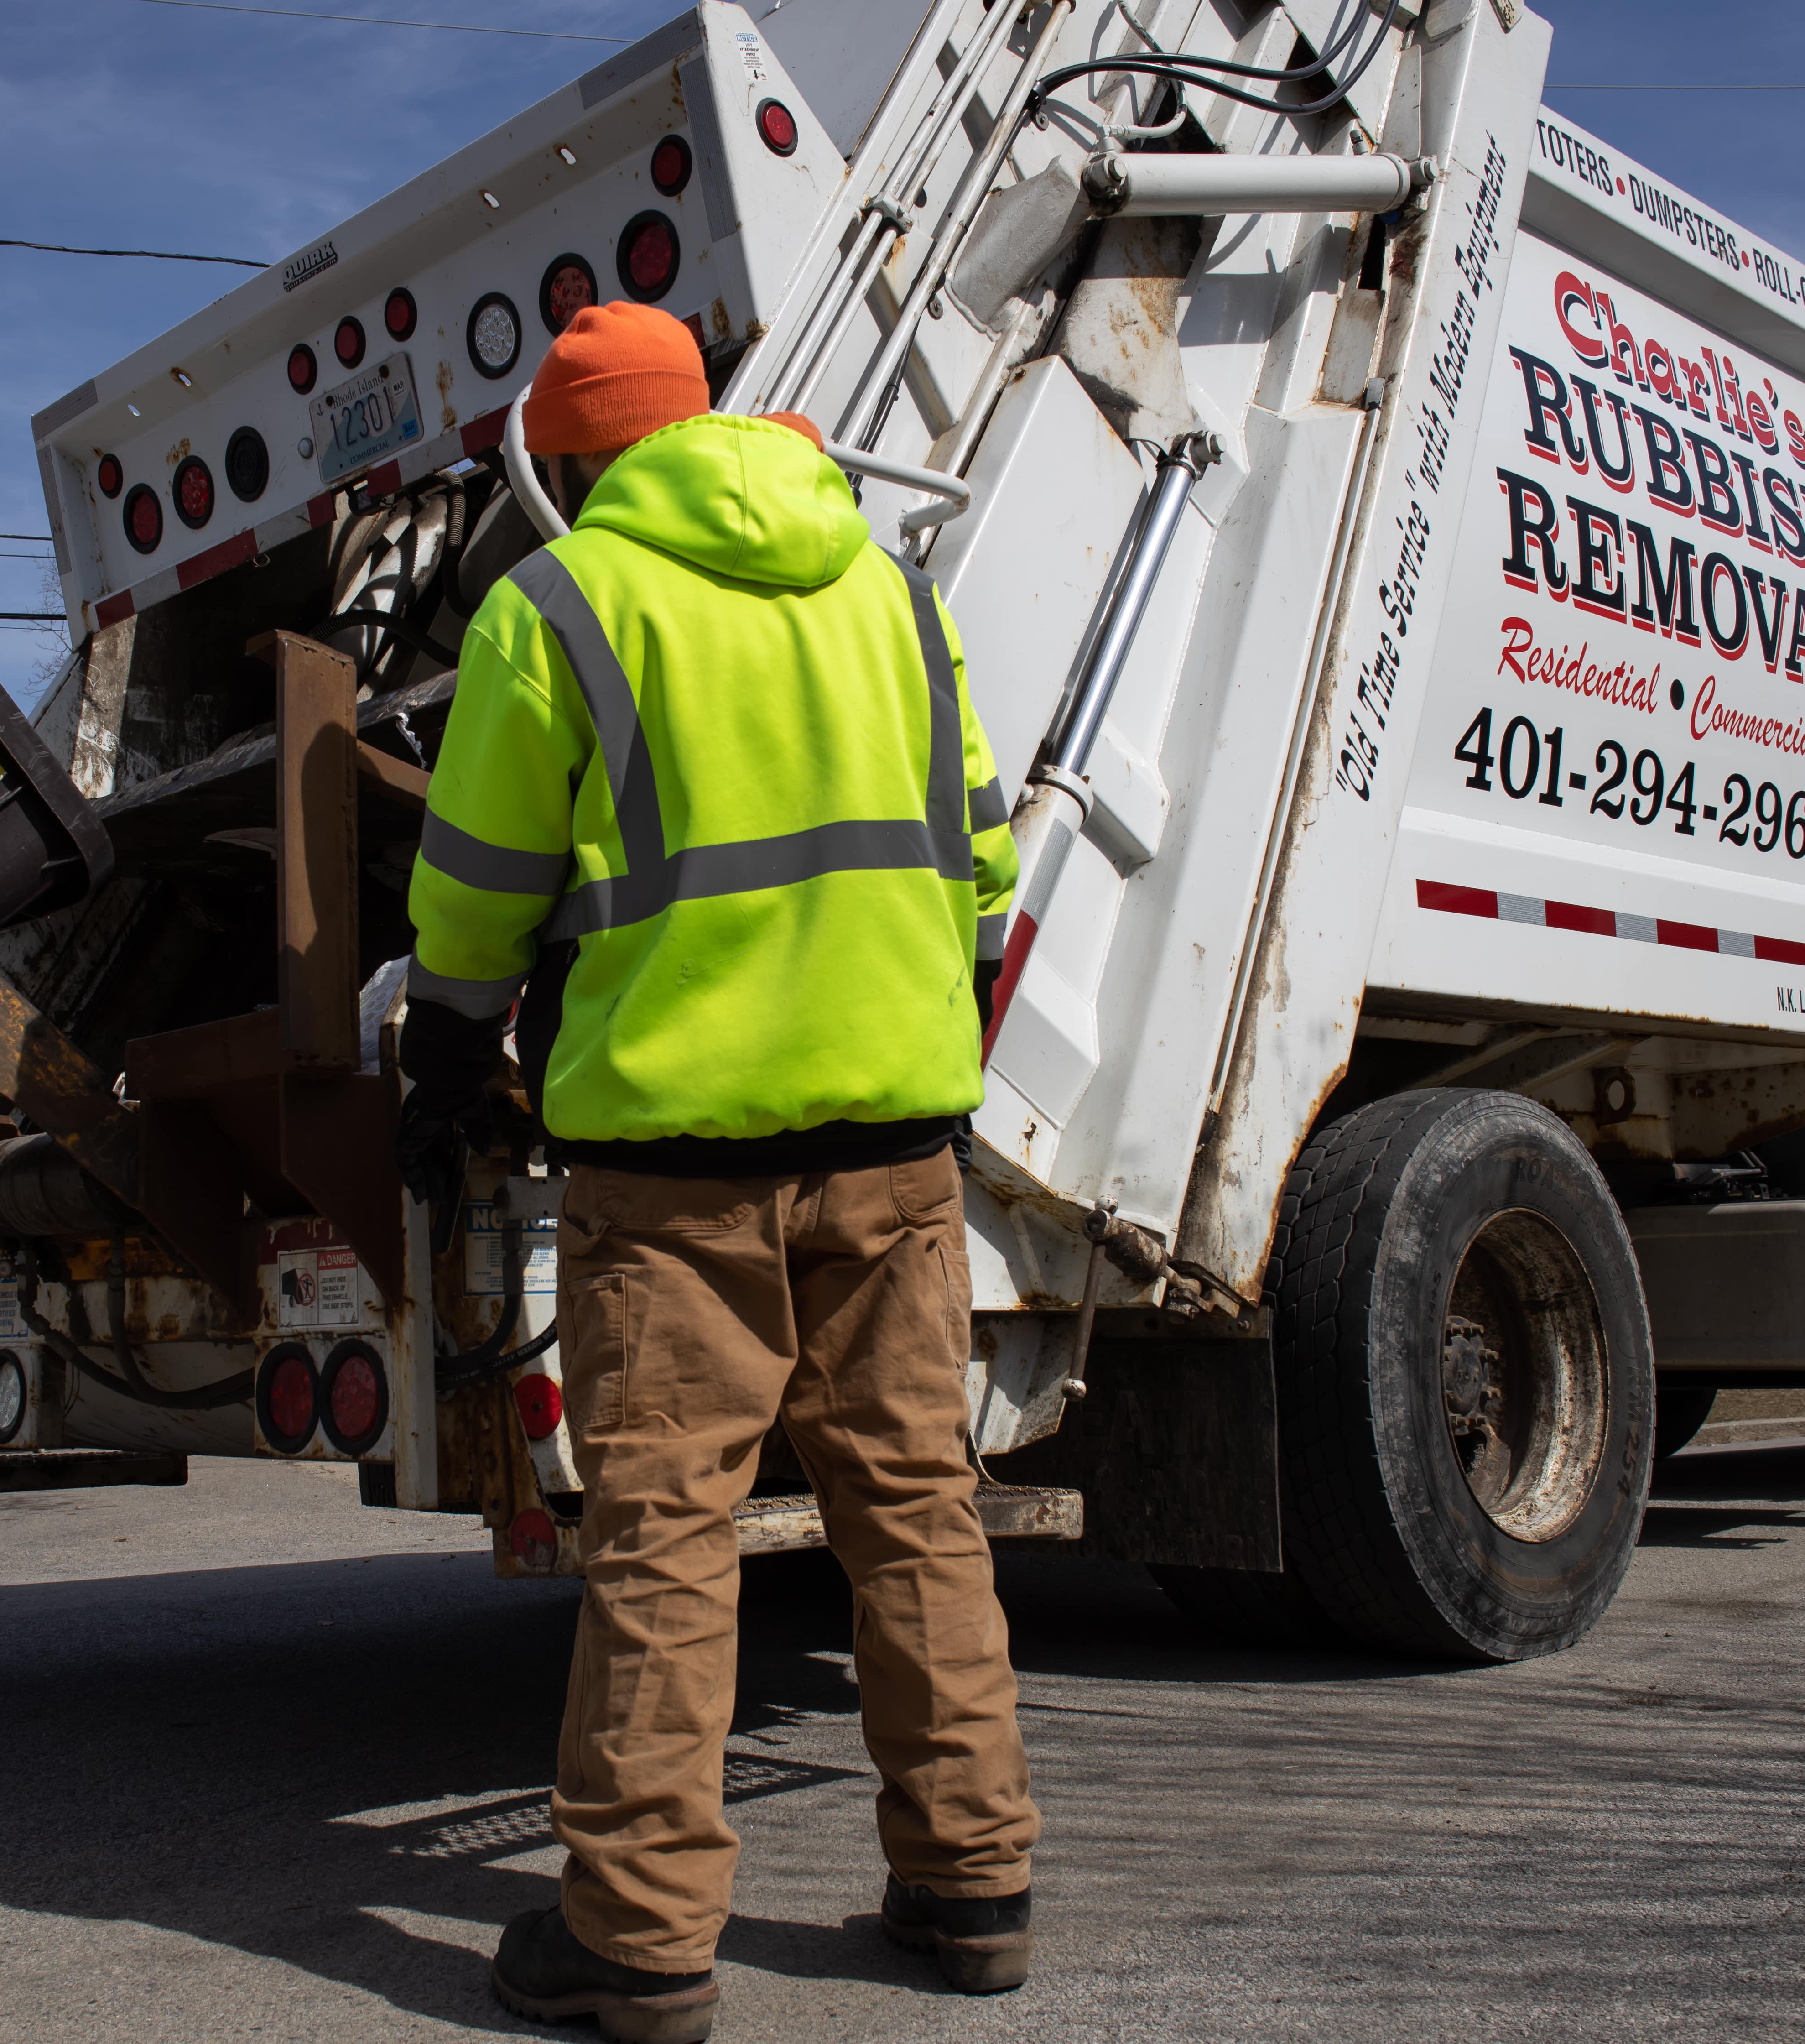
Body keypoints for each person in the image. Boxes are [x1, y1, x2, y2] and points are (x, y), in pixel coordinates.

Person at [395, 300, 1034, 2044]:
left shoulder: (565, 605)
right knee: (915, 1508)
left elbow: (476, 888)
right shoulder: (892, 592)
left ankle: (643, 1943)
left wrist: (448, 1048)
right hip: (897, 1148)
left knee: (668, 1543)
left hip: (673, 1175)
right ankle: (973, 1885)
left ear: (582, 457)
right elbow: (979, 856)